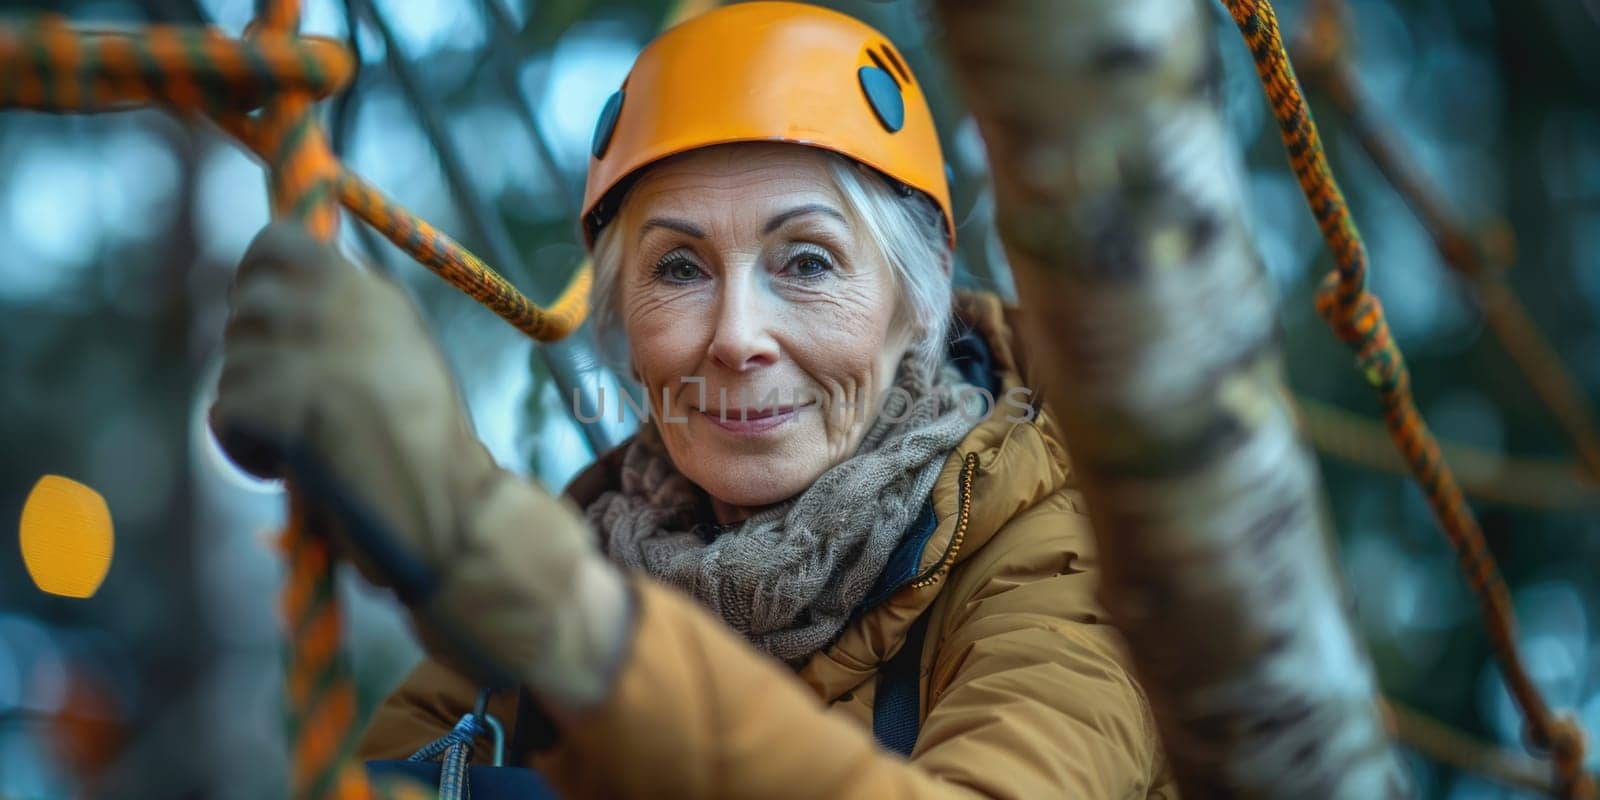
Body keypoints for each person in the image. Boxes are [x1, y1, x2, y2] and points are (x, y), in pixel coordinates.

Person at [210, 2, 1174, 796]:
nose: (736, 335)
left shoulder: (1065, 560)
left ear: (912, 301)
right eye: (679, 267)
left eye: (806, 261)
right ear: (622, 316)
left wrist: (479, 547)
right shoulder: (594, 544)